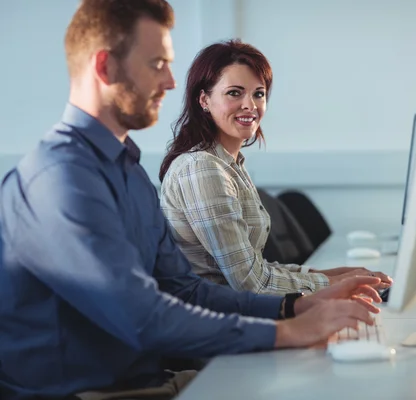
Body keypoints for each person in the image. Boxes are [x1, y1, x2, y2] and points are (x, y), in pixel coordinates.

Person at [0, 1, 383, 399]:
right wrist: (284, 332)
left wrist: (292, 308)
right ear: (105, 67)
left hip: (149, 376)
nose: (169, 81)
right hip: (98, 392)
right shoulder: (60, 179)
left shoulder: (127, 169)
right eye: (157, 64)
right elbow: (142, 317)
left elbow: (185, 290)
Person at [158, 40, 393, 294]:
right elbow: (250, 283)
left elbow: (255, 269)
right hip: (221, 321)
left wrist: (332, 275)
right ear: (204, 100)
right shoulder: (202, 168)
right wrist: (332, 285)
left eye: (258, 93)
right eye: (234, 93)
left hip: (237, 310)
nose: (250, 105)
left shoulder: (227, 164)